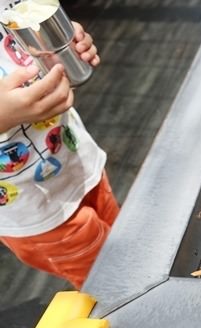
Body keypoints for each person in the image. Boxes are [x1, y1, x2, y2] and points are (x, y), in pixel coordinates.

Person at [0, 19, 117, 289]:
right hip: (35, 211)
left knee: (124, 241)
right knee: (113, 278)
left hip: (79, 161)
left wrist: (60, 41)